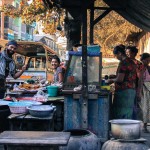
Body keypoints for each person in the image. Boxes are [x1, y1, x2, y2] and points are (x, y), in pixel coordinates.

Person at [107, 44, 137, 119]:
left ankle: (119, 129)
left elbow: (120, 79)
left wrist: (110, 80)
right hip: (131, 90)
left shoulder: (124, 63)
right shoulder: (131, 61)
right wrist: (114, 76)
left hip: (123, 91)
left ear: (120, 53)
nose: (116, 57)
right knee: (128, 112)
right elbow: (127, 76)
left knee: (120, 113)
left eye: (116, 55)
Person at [139, 53, 150, 132]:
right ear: (142, 60)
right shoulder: (141, 67)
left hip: (147, 88)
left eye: (149, 60)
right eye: (146, 60)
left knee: (147, 107)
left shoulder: (148, 68)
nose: (148, 61)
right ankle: (143, 126)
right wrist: (139, 91)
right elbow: (140, 80)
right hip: (143, 88)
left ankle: (145, 126)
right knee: (144, 107)